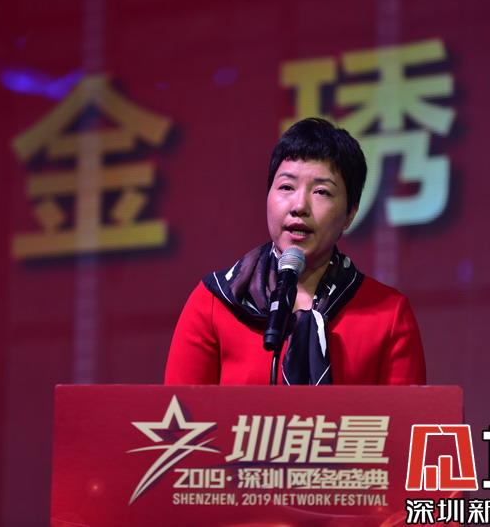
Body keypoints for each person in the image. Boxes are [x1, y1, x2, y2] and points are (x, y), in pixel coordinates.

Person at [164, 118, 425, 386]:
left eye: (322, 191)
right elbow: (180, 410)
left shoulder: (389, 315)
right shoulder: (214, 303)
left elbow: (406, 413)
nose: (299, 205)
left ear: (350, 214)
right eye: (286, 187)